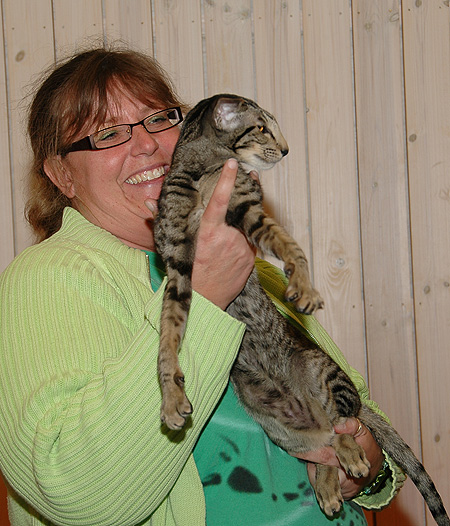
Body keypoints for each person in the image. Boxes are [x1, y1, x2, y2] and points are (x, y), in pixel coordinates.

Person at [0, 47, 405, 526]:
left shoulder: (252, 269)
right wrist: (207, 294)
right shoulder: (45, 278)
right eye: (107, 134)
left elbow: (361, 417)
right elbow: (75, 492)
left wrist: (370, 469)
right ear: (61, 175)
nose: (147, 145)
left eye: (158, 119)